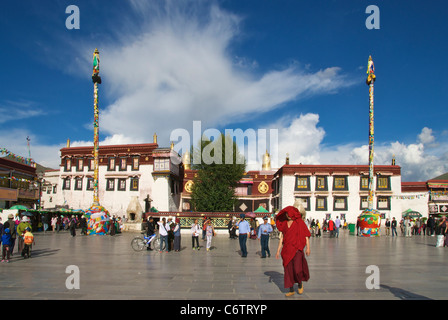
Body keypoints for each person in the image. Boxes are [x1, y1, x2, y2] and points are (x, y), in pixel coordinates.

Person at [275, 205, 311, 297]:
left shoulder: (299, 223)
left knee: (297, 269)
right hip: (287, 250)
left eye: (290, 214)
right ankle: (291, 289)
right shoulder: (284, 224)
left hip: (297, 250)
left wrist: (308, 247)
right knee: (288, 271)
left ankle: (299, 283)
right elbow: (282, 237)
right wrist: (278, 250)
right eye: (287, 214)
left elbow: (305, 235)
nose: (288, 216)